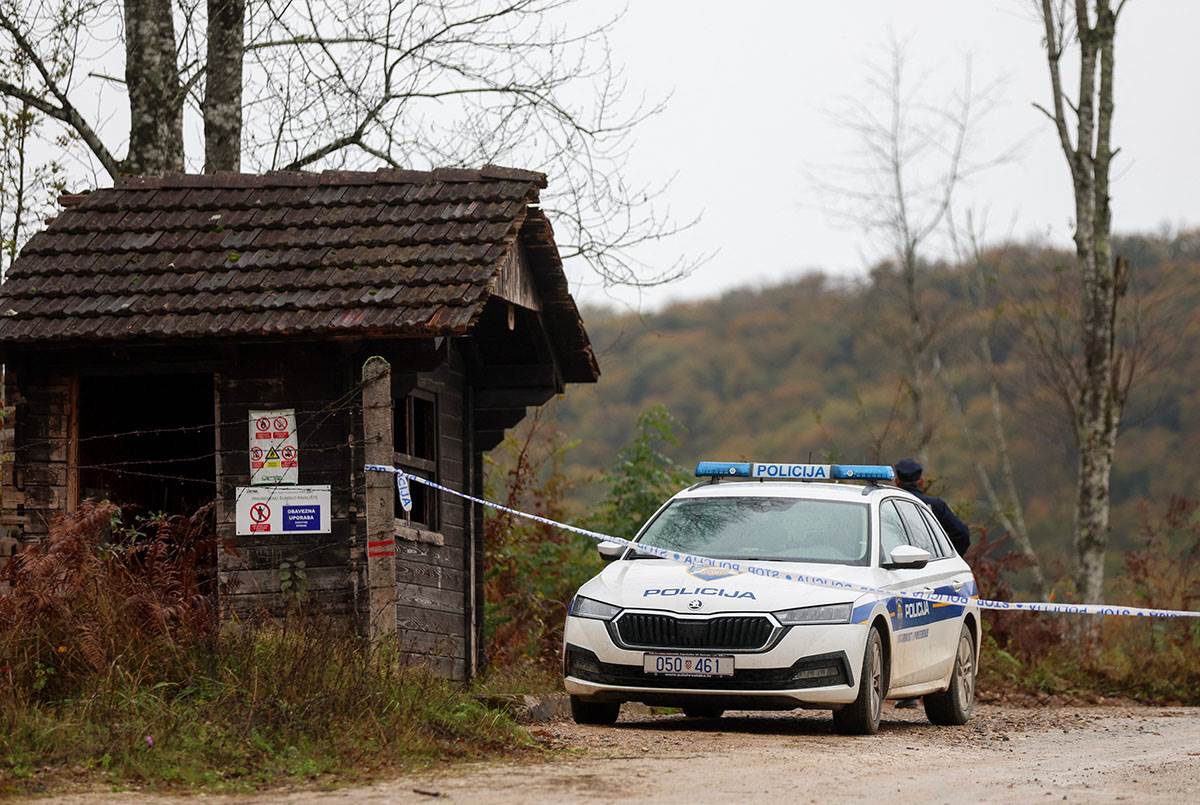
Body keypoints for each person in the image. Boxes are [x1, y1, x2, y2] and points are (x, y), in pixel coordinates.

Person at [893, 457, 970, 556]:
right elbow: (962, 534)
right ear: (921, 481)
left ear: (897, 482)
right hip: (932, 564)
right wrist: (947, 557)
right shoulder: (935, 506)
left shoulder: (886, 505)